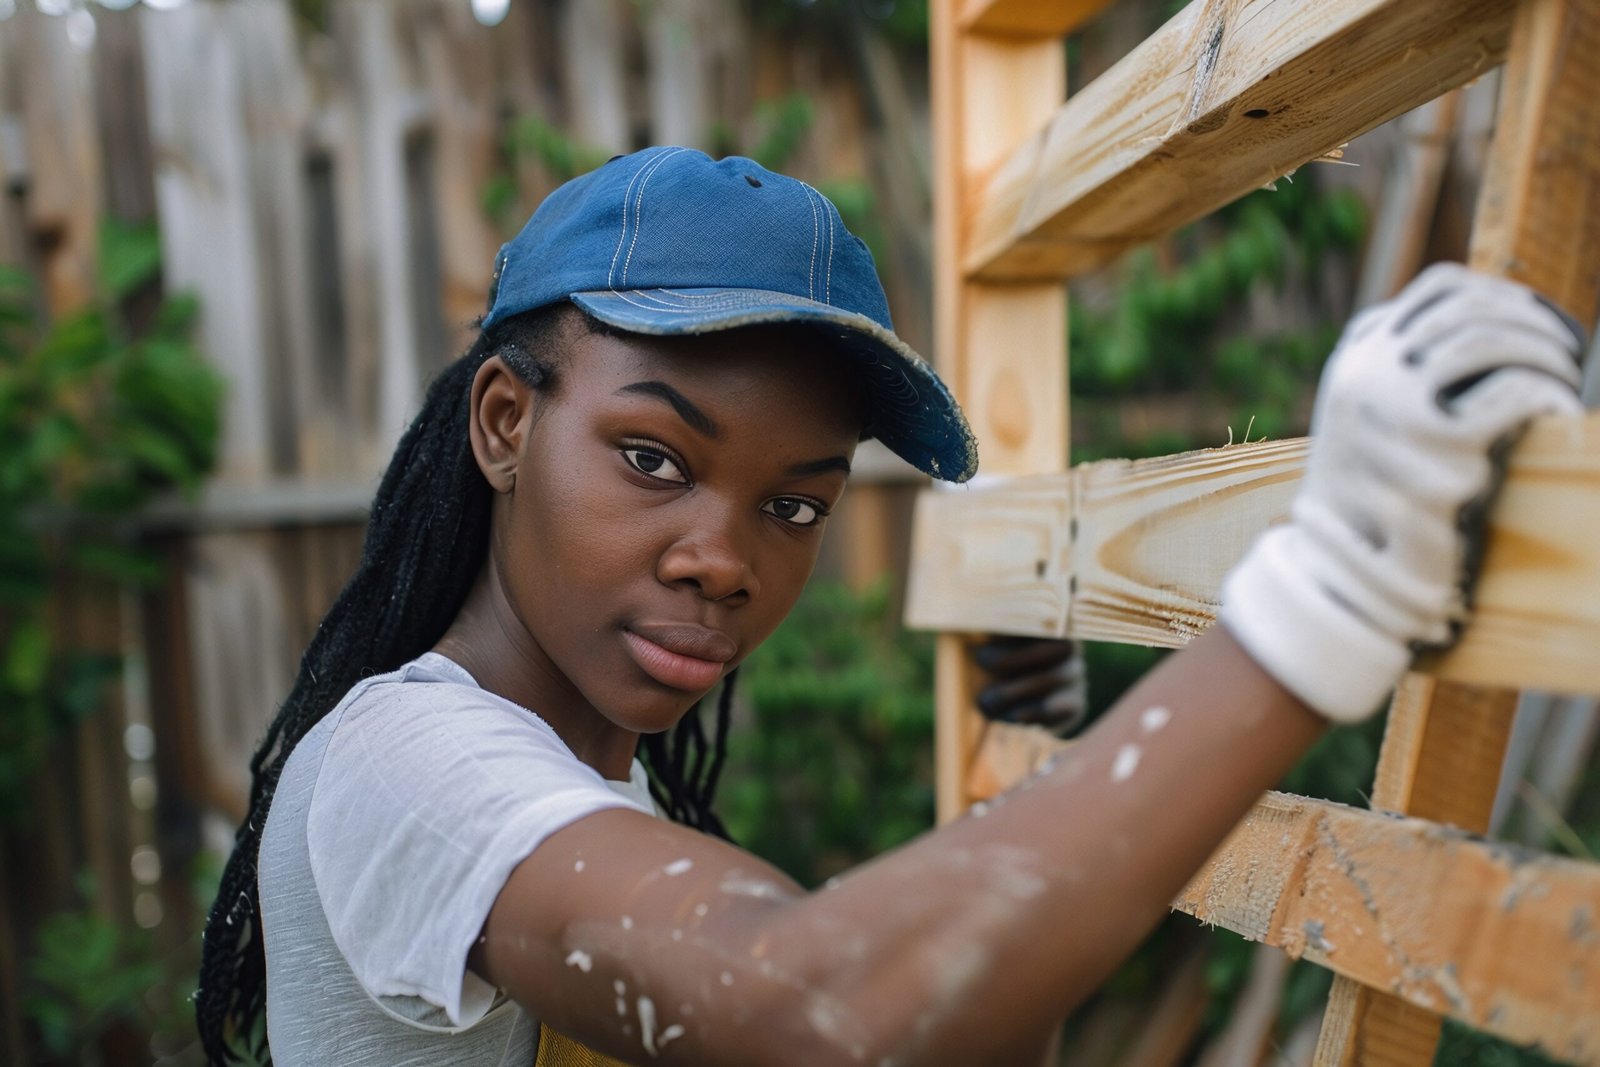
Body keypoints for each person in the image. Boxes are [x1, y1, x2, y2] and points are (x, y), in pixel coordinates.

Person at [194, 146, 1585, 1066]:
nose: (722, 558)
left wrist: (1031, 765)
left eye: (794, 504)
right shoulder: (415, 766)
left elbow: (915, 1011)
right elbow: (826, 1008)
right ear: (506, 423)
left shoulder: (573, 795)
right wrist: (1331, 598)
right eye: (654, 460)